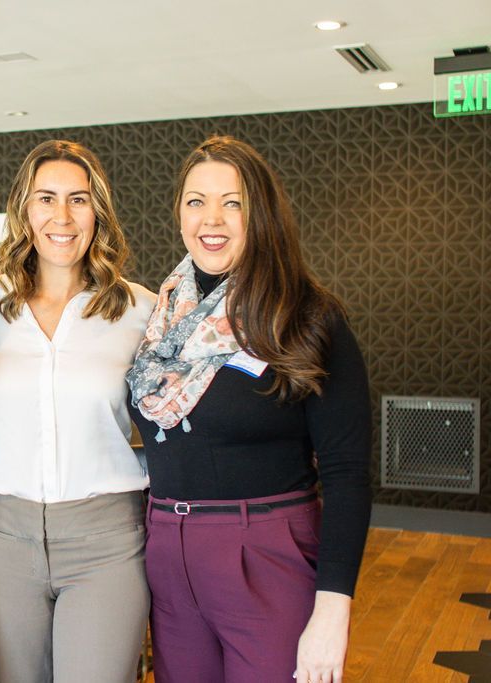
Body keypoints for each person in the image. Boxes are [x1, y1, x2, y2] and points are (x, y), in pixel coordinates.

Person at [126, 135, 371, 683]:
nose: (211, 218)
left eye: (232, 202)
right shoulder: (160, 315)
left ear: (259, 212)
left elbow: (348, 475)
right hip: (167, 552)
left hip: (266, 554)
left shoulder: (305, 315)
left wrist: (334, 608)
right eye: (196, 201)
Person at [0, 140, 155, 682]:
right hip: (1, 538)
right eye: (46, 198)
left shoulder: (140, 309)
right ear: (25, 209)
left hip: (107, 542)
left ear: (99, 212)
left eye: (79, 199)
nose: (63, 216)